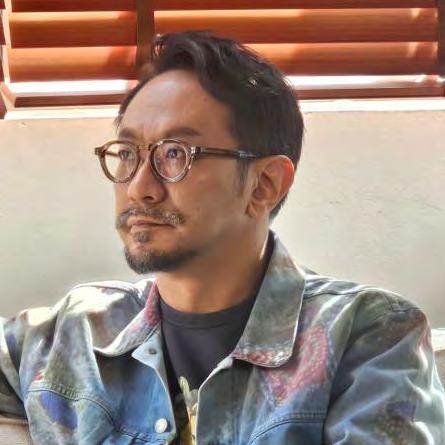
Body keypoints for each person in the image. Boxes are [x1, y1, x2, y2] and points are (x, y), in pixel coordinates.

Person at [0, 30, 444, 445]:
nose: (139, 187)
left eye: (175, 154)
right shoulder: (73, 331)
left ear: (264, 184)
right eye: (128, 153)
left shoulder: (368, 337)